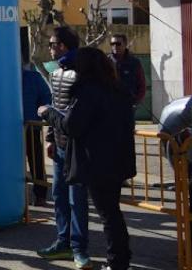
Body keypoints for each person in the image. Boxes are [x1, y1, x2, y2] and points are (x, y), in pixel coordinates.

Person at [39, 47, 136, 270]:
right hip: (118, 160)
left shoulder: (88, 91)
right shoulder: (118, 89)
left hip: (98, 162)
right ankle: (120, 259)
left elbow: (72, 125)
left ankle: (118, 262)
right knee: (112, 213)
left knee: (109, 215)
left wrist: (48, 113)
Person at [37, 26, 92, 269]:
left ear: (63, 46)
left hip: (77, 147)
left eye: (52, 44)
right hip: (60, 145)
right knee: (59, 195)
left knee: (76, 199)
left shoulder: (83, 73)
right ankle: (63, 242)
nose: (49, 48)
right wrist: (50, 138)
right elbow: (55, 105)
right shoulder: (56, 72)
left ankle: (79, 249)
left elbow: (79, 111)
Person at [22, 42, 52, 206]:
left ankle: (40, 194)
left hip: (30, 127)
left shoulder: (33, 78)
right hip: (7, 130)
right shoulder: (1, 79)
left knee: (36, 162)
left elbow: (47, 98)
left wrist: (42, 113)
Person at [109, 34, 146, 110]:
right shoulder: (106, 61)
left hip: (129, 105)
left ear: (125, 44)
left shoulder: (134, 62)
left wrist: (137, 102)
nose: (115, 46)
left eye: (118, 44)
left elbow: (142, 84)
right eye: (112, 44)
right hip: (110, 106)